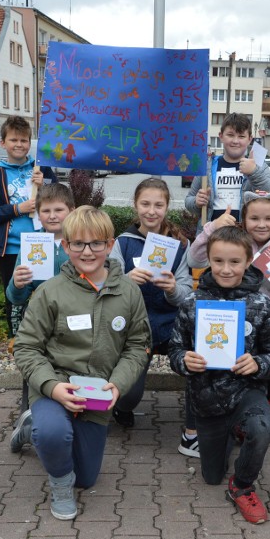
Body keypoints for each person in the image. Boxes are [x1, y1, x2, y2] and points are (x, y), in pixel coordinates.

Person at [14, 206, 151, 521]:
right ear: (65, 246)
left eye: (96, 244)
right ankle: (58, 478)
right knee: (54, 435)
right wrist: (53, 387)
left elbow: (138, 345)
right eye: (78, 244)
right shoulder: (50, 292)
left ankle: (31, 427)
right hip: (56, 385)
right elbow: (26, 347)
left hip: (98, 392)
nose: (87, 252)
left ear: (109, 244)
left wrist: (117, 384)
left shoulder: (128, 292)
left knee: (87, 479)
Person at [168, 226, 270, 525]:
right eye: (218, 261)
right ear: (208, 259)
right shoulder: (191, 304)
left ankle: (243, 485)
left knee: (261, 428)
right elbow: (174, 350)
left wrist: (258, 363)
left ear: (248, 261)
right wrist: (185, 359)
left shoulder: (262, 305)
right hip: (206, 399)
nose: (225, 269)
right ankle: (230, 435)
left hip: (247, 392)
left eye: (234, 262)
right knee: (211, 476)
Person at [187, 190, 270, 398]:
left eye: (269, 218)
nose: (262, 224)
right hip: (226, 322)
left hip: (263, 331)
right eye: (254, 218)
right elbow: (194, 261)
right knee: (220, 370)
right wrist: (213, 227)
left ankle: (257, 399)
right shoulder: (235, 243)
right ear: (244, 220)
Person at [108, 178, 193, 432]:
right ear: (135, 205)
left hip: (170, 326)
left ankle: (199, 421)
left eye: (158, 205)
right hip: (134, 329)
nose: (151, 211)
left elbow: (187, 293)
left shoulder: (178, 246)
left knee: (199, 367)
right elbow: (107, 287)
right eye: (145, 204)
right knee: (128, 397)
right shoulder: (122, 243)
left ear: (167, 207)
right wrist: (126, 281)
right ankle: (122, 407)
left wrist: (173, 289)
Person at [6, 183, 75, 453]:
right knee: (37, 363)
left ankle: (63, 409)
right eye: (46, 210)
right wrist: (18, 283)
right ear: (37, 213)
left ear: (71, 211)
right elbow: (15, 298)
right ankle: (30, 412)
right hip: (41, 322)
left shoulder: (77, 244)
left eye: (59, 209)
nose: (53, 215)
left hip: (72, 321)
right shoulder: (31, 245)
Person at [0, 115, 55, 336]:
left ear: (29, 143)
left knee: (48, 293)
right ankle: (17, 339)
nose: (19, 145)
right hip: (11, 248)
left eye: (24, 140)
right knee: (14, 296)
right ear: (3, 143)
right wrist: (17, 209)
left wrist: (45, 185)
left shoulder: (41, 168)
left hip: (43, 242)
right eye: (14, 140)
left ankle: (48, 336)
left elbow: (59, 200)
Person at [184, 112, 270, 231]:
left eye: (241, 136)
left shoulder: (259, 166)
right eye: (230, 135)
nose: (235, 141)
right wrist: (197, 202)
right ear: (221, 136)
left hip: (245, 237)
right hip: (211, 237)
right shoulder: (207, 166)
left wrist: (253, 172)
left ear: (249, 139)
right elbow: (188, 201)